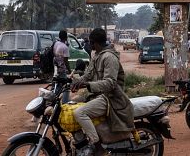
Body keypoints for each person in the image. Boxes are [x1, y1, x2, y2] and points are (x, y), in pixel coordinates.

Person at [71, 28, 135, 156]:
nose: (89, 45)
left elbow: (110, 83)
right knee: (72, 104)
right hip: (98, 95)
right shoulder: (97, 56)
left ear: (94, 43)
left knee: (79, 113)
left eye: (90, 42)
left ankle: (97, 145)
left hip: (110, 98)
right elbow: (87, 75)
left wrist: (87, 85)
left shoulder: (109, 57)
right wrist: (74, 81)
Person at [54, 30, 71, 103]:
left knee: (57, 85)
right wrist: (69, 70)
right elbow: (66, 61)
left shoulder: (56, 43)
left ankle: (53, 99)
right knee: (66, 86)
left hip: (55, 68)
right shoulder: (65, 47)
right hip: (62, 69)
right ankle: (65, 102)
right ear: (66, 37)